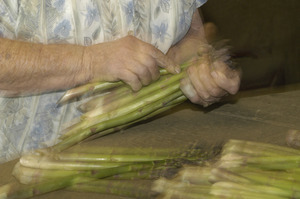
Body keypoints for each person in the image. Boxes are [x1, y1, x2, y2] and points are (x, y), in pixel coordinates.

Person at [0, 0, 241, 163]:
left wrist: (198, 70)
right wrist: (88, 61)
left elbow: (192, 34)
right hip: (24, 163)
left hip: (136, 158)